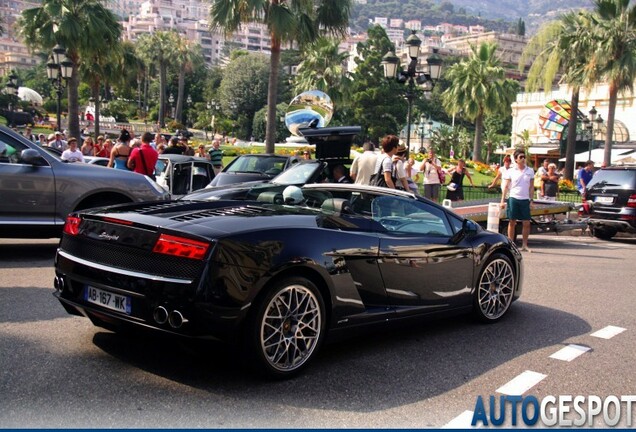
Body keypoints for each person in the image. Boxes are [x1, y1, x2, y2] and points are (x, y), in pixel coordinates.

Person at [500, 149, 535, 252]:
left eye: (524, 157)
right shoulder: (510, 171)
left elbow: (531, 187)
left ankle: (524, 245)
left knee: (526, 222)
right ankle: (511, 245)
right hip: (513, 198)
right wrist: (502, 200)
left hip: (525, 199)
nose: (523, 159)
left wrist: (531, 201)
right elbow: (506, 186)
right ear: (516, 159)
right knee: (512, 221)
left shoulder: (530, 171)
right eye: (521, 157)